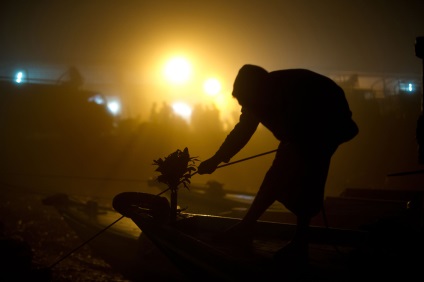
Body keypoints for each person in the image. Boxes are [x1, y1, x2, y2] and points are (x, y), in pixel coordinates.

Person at [197, 64, 359, 265]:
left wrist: (297, 143)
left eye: (247, 102)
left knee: (304, 178)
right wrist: (217, 158)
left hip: (329, 123)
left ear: (257, 92)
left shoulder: (289, 91)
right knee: (280, 173)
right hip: (300, 133)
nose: (248, 107)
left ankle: (298, 242)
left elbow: (302, 134)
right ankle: (248, 226)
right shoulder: (256, 96)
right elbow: (244, 129)